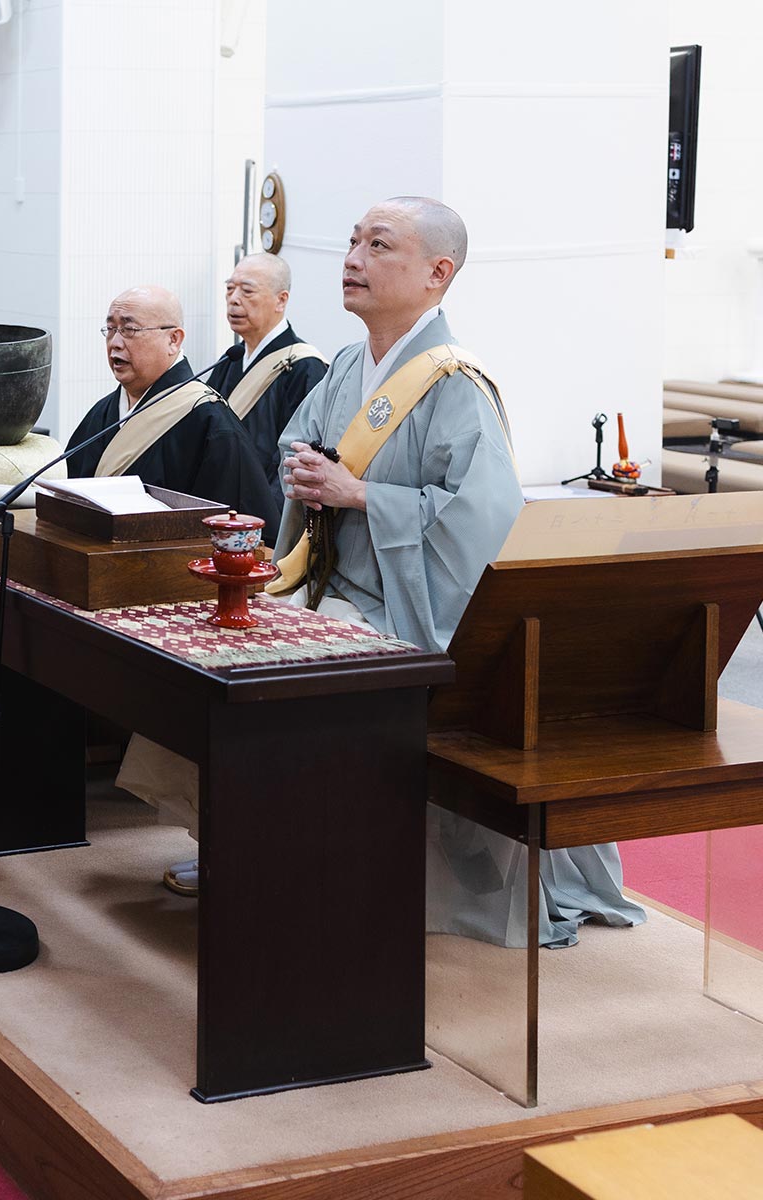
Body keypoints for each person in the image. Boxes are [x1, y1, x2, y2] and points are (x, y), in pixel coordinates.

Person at [263, 196, 642, 946]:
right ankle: (274, 854)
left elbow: (481, 521)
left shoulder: (457, 385)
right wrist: (303, 473)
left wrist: (361, 493)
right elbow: (296, 442)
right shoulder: (345, 366)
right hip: (335, 586)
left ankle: (334, 870)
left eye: (378, 245)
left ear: (439, 272)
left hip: (403, 608)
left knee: (286, 676)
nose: (351, 258)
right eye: (350, 241)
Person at [64, 285, 279, 524]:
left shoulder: (210, 422)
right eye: (111, 329)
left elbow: (241, 525)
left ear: (173, 340)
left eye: (129, 329)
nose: (115, 342)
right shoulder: (102, 413)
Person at [204, 253, 328, 488]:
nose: (234, 299)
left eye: (247, 291)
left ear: (281, 300)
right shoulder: (230, 360)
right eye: (230, 289)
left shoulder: (304, 366)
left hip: (264, 508)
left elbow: (297, 453)